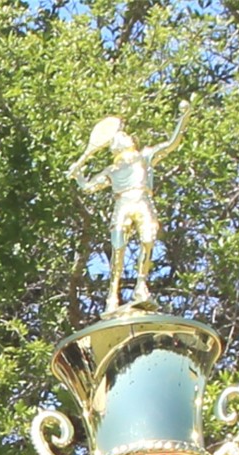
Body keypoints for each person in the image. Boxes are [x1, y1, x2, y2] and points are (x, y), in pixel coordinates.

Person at [67, 102, 190, 312]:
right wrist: (78, 175)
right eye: (119, 137)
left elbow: (171, 143)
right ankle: (112, 295)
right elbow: (88, 187)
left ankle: (141, 286)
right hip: (123, 203)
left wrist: (184, 118)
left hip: (142, 200)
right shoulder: (112, 169)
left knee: (148, 240)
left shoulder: (145, 156)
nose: (124, 136)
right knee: (118, 249)